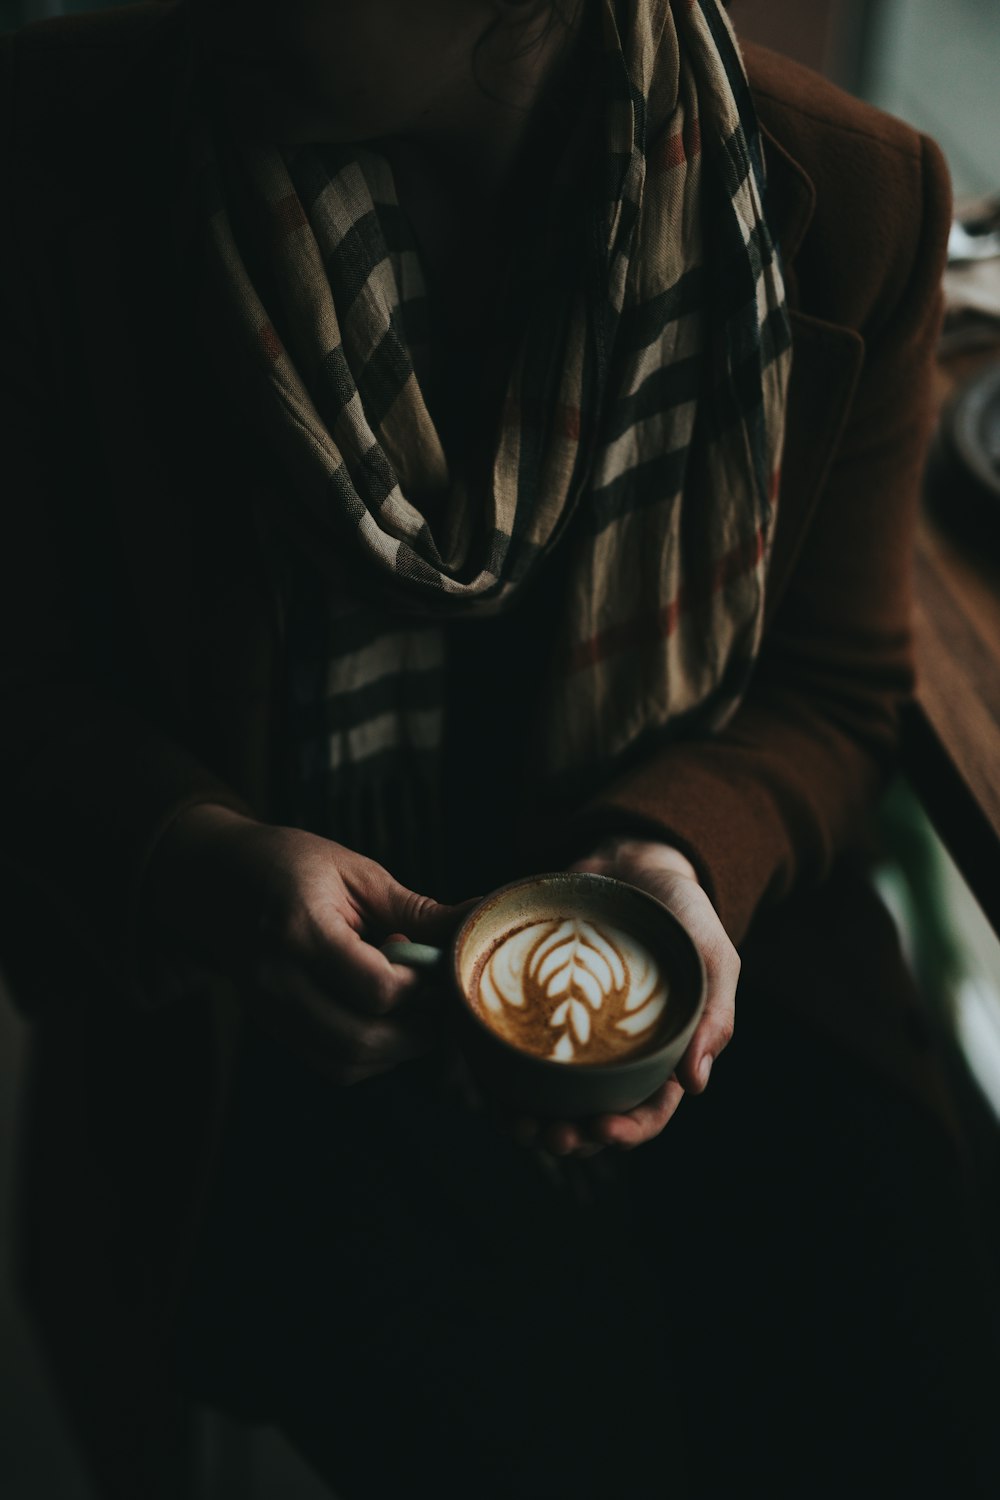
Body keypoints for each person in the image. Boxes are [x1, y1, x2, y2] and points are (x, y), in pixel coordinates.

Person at [2, 1, 999, 1496]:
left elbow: (833, 691)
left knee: (909, 1376)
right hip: (264, 1038)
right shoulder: (61, 140)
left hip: (726, 982)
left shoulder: (848, 199)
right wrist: (192, 855)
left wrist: (678, 853)